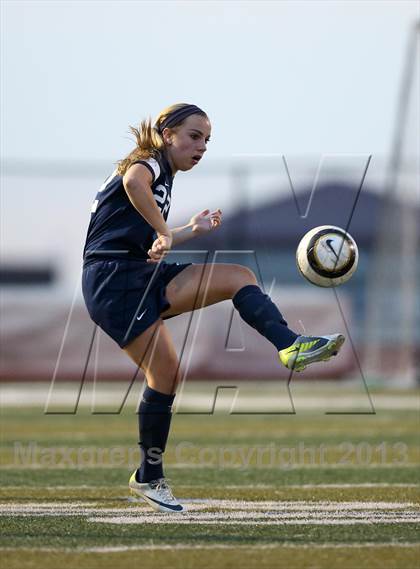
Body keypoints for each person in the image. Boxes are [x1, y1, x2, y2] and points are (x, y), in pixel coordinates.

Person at [82, 103, 345, 513]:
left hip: (135, 273)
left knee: (235, 278)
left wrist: (187, 231)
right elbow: (134, 183)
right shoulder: (147, 162)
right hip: (114, 280)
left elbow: (153, 241)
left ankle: (290, 345)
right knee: (164, 372)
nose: (201, 146)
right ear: (167, 134)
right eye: (194, 136)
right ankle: (149, 476)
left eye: (207, 140)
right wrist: (167, 231)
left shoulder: (164, 173)